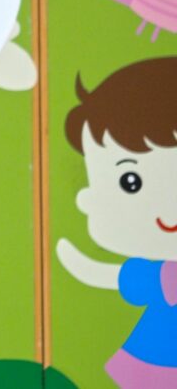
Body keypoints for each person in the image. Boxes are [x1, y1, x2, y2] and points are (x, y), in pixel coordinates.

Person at [55, 57, 177, 388]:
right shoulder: (162, 276)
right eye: (130, 181)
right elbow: (120, 278)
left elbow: (116, 277)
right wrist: (81, 266)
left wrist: (84, 266)